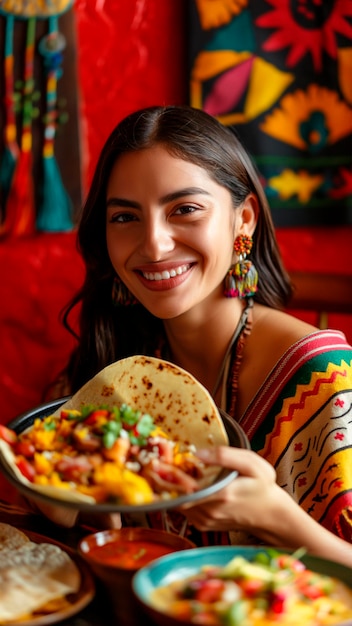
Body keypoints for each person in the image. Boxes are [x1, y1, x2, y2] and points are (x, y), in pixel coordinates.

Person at [44, 105, 352, 566]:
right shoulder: (122, 361)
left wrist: (278, 519)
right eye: (125, 218)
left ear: (242, 220)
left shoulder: (319, 375)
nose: (153, 244)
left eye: (184, 209)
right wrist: (53, 497)